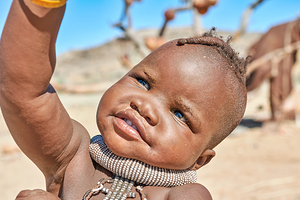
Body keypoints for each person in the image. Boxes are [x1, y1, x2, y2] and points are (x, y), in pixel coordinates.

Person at [0, 0, 250, 199]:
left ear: (200, 160)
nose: (145, 106)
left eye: (179, 114)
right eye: (143, 82)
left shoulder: (184, 195)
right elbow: (23, 90)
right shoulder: (74, 157)